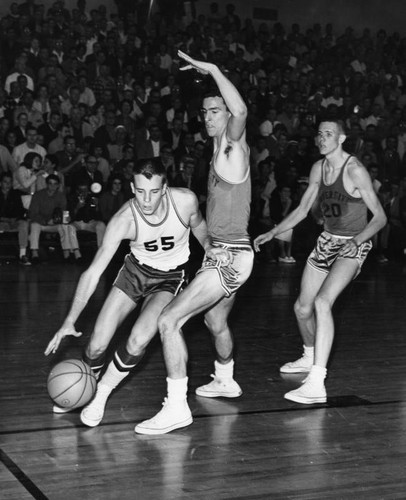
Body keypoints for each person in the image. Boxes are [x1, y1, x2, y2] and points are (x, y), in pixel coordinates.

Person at [134, 50, 254, 435]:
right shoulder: (217, 150)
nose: (208, 116)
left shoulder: (234, 149)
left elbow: (242, 112)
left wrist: (215, 71)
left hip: (232, 256)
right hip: (230, 253)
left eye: (215, 110)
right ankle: (225, 378)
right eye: (205, 112)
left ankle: (176, 408)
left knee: (169, 320)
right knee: (214, 318)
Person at [44, 158, 209, 426]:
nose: (147, 199)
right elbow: (92, 272)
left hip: (170, 278)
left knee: (138, 339)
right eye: (141, 191)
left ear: (165, 189)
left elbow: (200, 226)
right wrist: (69, 320)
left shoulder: (186, 201)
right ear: (133, 188)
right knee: (97, 345)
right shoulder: (123, 219)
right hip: (135, 272)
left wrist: (210, 246)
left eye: (154, 192)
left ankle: (100, 395)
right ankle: (86, 386)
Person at [254, 120, 387, 404]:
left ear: (341, 138)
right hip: (328, 240)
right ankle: (309, 355)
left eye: (328, 134)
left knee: (322, 303)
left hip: (354, 244)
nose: (321, 138)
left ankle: (316, 382)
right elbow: (303, 210)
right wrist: (273, 231)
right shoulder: (318, 168)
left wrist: (357, 240)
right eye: (319, 134)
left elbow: (380, 218)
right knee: (302, 308)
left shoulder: (355, 170)